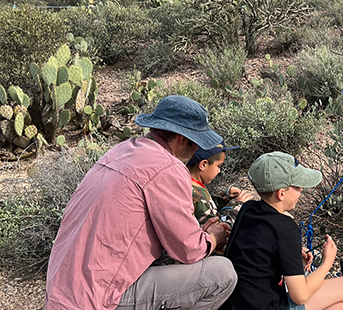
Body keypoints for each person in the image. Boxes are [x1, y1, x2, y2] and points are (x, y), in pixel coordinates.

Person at [46, 95, 237, 310]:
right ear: (183, 139)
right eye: (197, 143)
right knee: (222, 274)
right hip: (98, 298)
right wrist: (213, 237)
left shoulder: (120, 151)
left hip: (63, 291)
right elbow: (189, 251)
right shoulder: (167, 168)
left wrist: (197, 234)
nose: (196, 150)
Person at [223, 151, 343, 310]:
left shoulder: (248, 208)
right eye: (298, 186)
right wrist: (327, 262)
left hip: (237, 302)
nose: (302, 190)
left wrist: (291, 253)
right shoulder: (285, 227)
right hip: (266, 305)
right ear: (281, 193)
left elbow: (257, 250)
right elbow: (300, 295)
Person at [187, 140, 253, 226]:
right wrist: (239, 209)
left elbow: (205, 210)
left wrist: (224, 196)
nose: (219, 171)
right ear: (203, 165)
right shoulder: (195, 195)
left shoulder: (191, 185)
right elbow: (220, 232)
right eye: (219, 166)